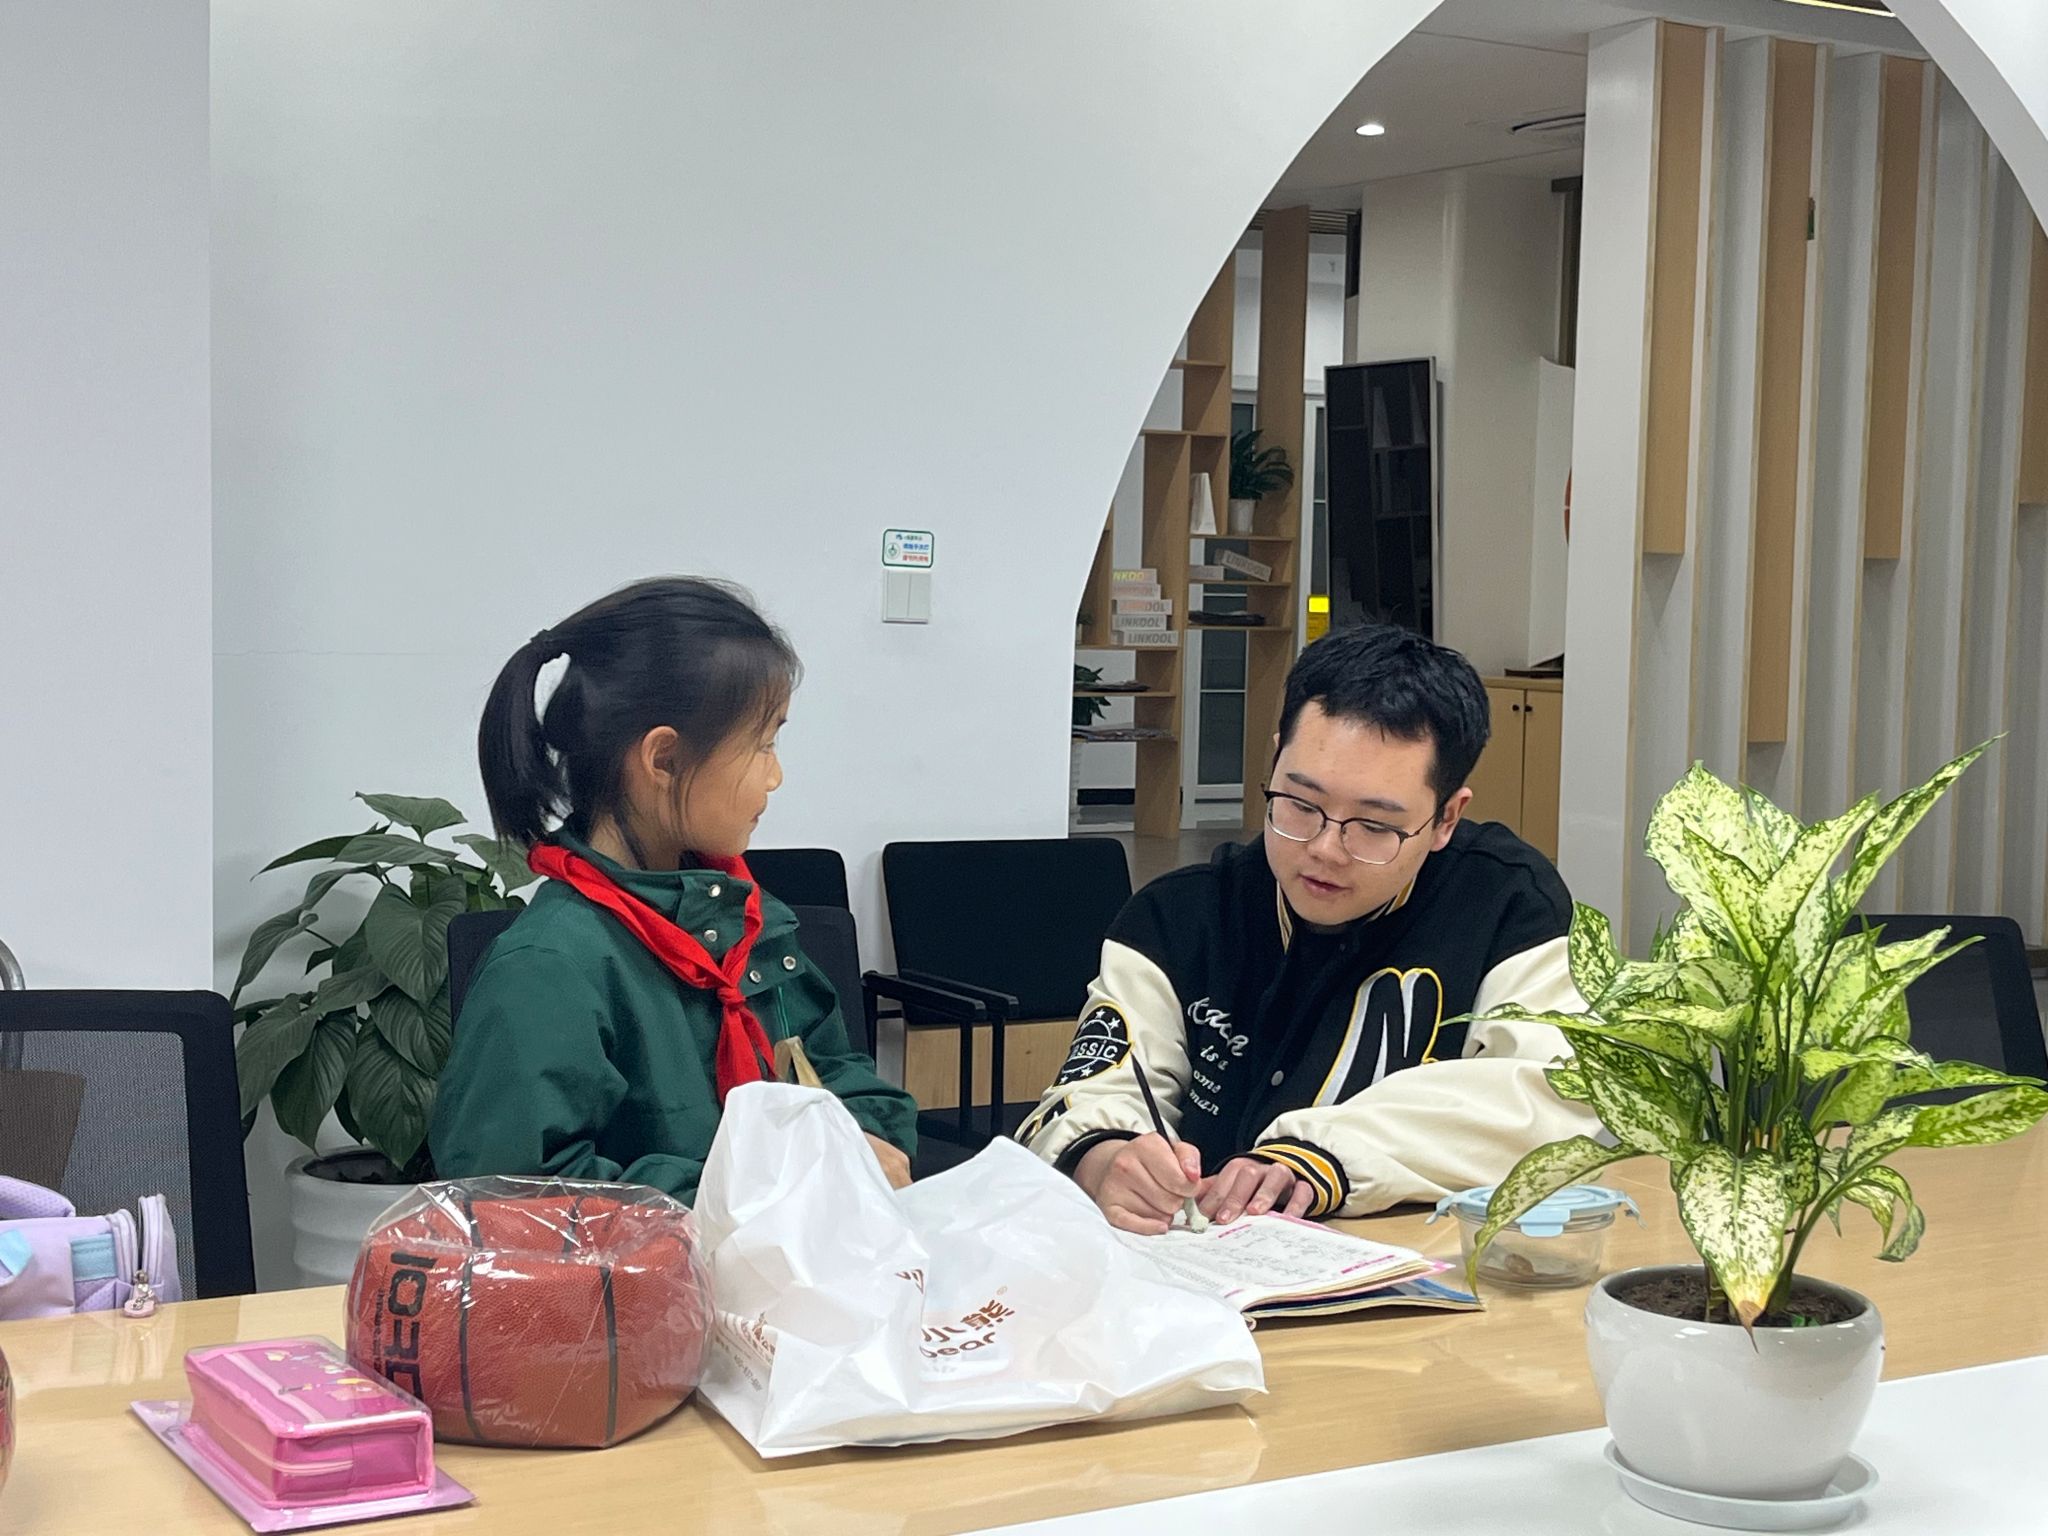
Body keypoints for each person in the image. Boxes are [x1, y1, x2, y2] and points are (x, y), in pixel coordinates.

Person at [1020, 623, 1598, 1234]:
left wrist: (1316, 1159)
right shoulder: (1180, 918)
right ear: (1275, 762)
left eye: (1374, 825)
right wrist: (1105, 1158)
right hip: (1196, 1263)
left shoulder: (1507, 907)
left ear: (1446, 818)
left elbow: (1551, 1094)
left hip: (1420, 1262)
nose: (1324, 849)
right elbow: (1097, 1087)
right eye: (1300, 804)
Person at [429, 577, 916, 1201]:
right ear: (663, 759)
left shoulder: (746, 921)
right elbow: (516, 1197)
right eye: (762, 744)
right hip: (669, 1268)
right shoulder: (548, 968)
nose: (775, 775)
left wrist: (861, 1143)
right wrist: (764, 1191)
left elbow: (837, 1074)